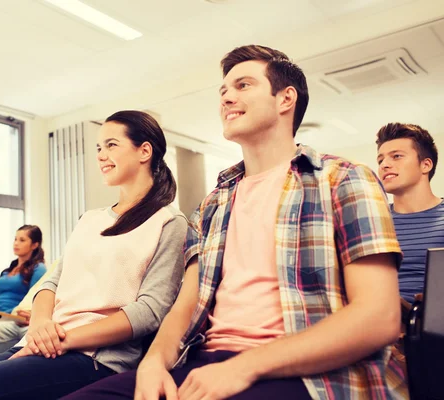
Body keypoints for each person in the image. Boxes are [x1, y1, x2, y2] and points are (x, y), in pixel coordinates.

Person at [64, 45, 407, 400]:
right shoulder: (214, 202)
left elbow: (379, 317)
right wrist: (152, 364)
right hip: (204, 364)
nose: (227, 97)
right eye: (223, 91)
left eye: (243, 85)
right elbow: (186, 304)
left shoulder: (344, 180)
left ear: (285, 99)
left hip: (307, 373)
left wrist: (245, 367)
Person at [0, 110, 188, 400]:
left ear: (144, 150)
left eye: (111, 145)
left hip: (94, 358)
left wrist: (60, 340)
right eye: (98, 147)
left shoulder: (169, 222)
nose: (100, 155)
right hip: (42, 343)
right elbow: (51, 282)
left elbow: (150, 311)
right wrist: (40, 325)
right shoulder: (89, 219)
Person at [376, 122, 443, 304]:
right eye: (380, 160)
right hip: (378, 321)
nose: (384, 165)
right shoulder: (374, 222)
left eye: (396, 156)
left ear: (425, 165)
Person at [0, 225, 47, 313]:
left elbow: (32, 301)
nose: (16, 243)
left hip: (13, 318)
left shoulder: (39, 269)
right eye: (15, 239)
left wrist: (8, 314)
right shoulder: (7, 271)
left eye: (22, 240)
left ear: (34, 245)